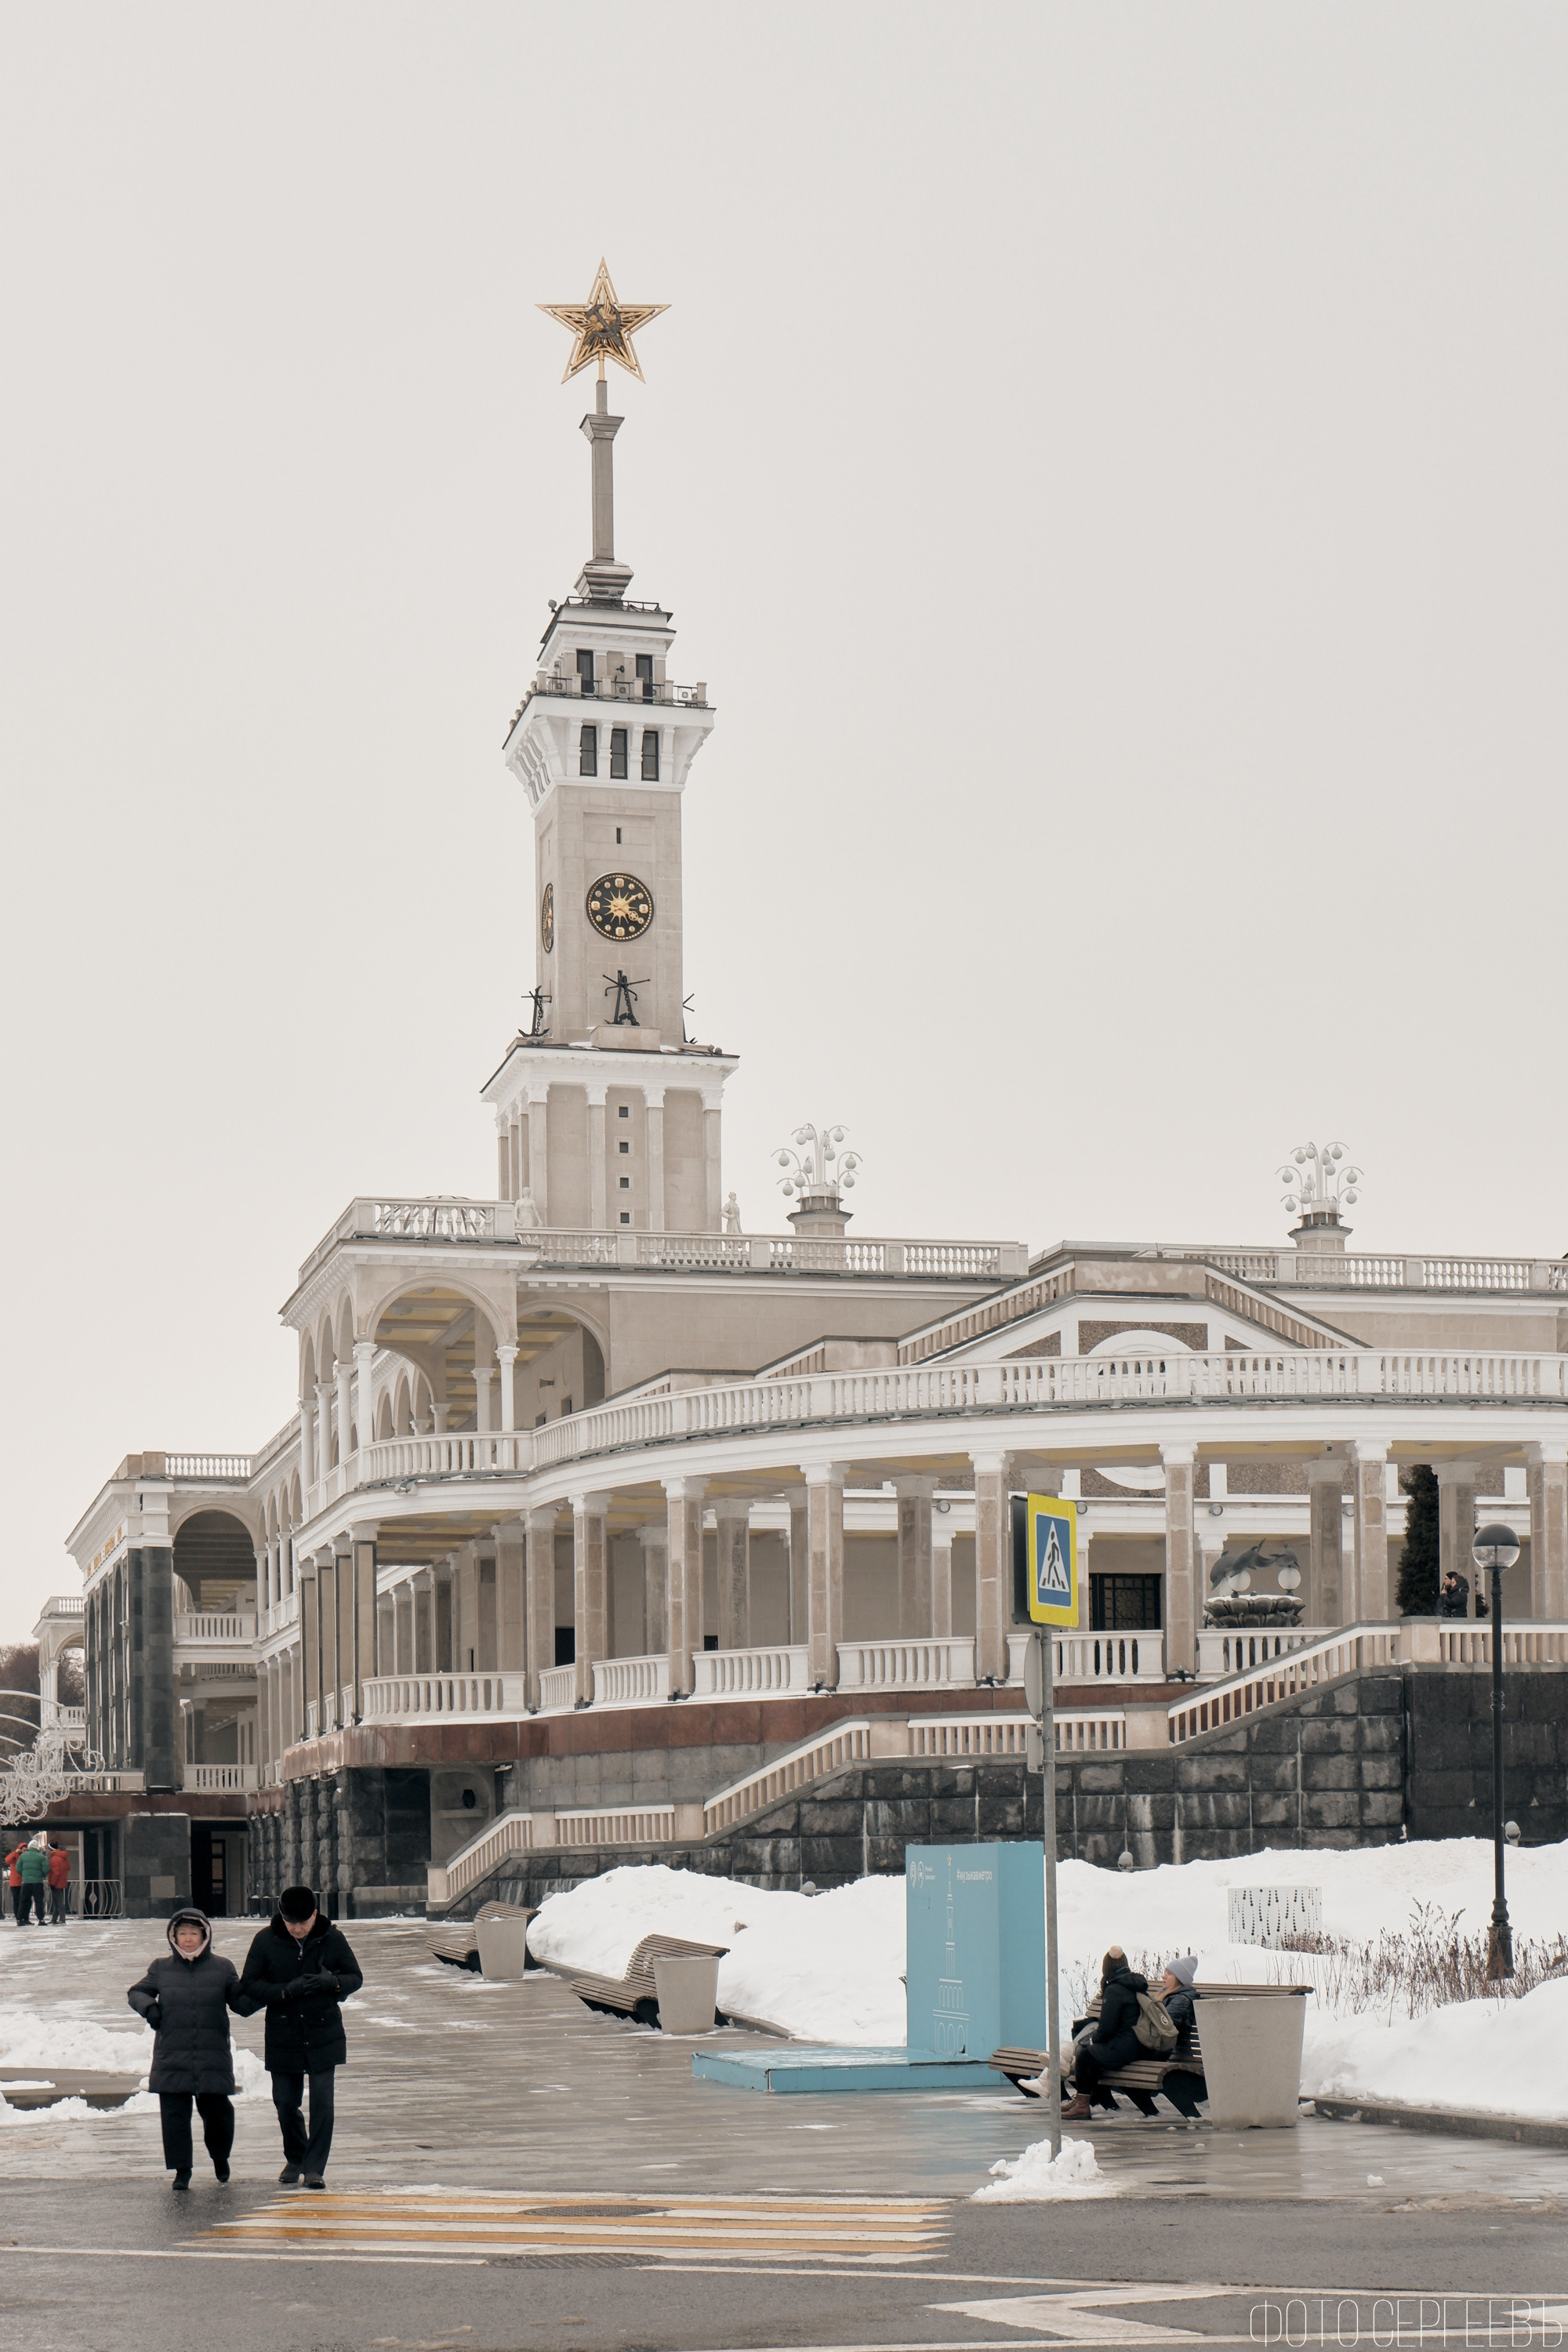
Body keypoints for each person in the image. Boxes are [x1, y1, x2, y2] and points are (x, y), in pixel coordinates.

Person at [238, 1886, 362, 2190]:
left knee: (323, 2104)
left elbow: (355, 1978)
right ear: (281, 1916)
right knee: (285, 2102)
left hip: (324, 2032)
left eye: (303, 1923)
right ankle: (296, 2156)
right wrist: (283, 1991)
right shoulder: (266, 1941)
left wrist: (331, 1982)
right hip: (283, 2032)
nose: (296, 1929)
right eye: (291, 1922)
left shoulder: (332, 1938)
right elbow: (250, 1984)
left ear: (315, 1915)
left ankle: (315, 2168)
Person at [126, 1908, 247, 2191]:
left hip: (212, 2054)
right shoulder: (161, 1967)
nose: (189, 1939)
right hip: (173, 2054)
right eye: (183, 1933)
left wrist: (262, 1992)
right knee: (174, 2116)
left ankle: (220, 2157)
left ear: (204, 1935)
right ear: (173, 1936)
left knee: (218, 2114)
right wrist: (150, 2008)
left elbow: (241, 2001)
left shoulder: (223, 1968)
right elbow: (136, 1992)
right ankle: (182, 2170)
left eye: (194, 1933)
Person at [1061, 1945, 1149, 2121]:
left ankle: (1082, 2106)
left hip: (1126, 2047)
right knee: (1091, 2055)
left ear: (1107, 1968)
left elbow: (1107, 2028)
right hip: (1137, 2045)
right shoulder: (1133, 1984)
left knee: (1085, 2056)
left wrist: (1095, 2039)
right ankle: (1081, 2100)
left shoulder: (1115, 1989)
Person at [16, 1834, 50, 1926]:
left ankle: (20, 1919)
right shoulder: (41, 1857)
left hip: (26, 1882)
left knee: (23, 1901)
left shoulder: (23, 1857)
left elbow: (18, 1868)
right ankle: (41, 1919)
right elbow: (46, 1869)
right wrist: (41, 1875)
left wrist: (24, 1875)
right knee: (39, 1901)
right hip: (37, 1882)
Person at [45, 1838, 71, 1926]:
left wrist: (52, 1882)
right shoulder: (62, 1858)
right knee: (57, 1901)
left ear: (51, 1850)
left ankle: (62, 1919)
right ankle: (54, 1919)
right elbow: (68, 1868)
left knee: (58, 1902)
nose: (48, 1851)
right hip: (62, 1882)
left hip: (56, 1883)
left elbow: (56, 1872)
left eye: (48, 1849)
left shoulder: (54, 1859)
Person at [5, 1842, 24, 1927]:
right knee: (17, 1901)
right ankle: (18, 1918)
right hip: (15, 1882)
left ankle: (23, 1918)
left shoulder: (24, 1857)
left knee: (24, 1901)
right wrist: (15, 1852)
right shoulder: (15, 1856)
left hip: (22, 1881)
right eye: (24, 1849)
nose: (26, 1851)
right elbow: (7, 1860)